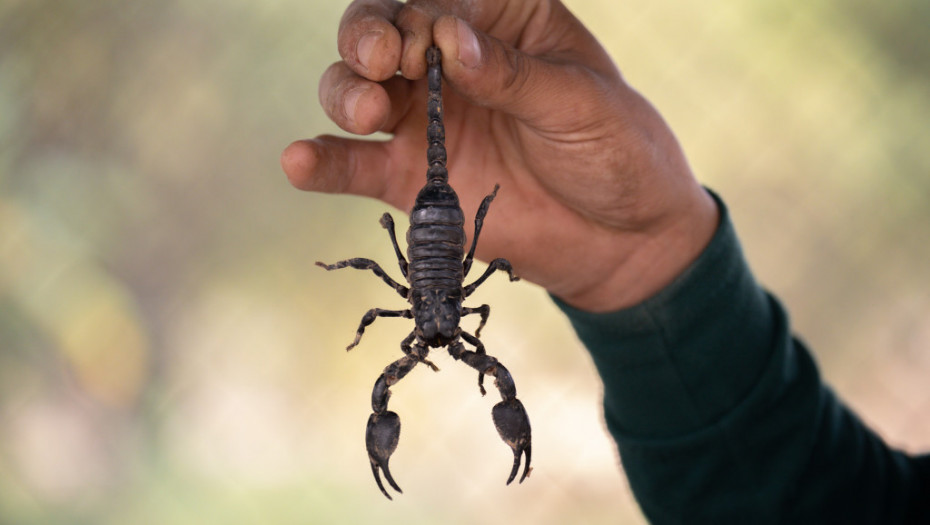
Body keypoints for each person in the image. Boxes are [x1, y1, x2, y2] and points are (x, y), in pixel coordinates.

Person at [280, 0, 929, 521]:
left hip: (433, 236)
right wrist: (646, 266)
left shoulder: (426, 327)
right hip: (445, 236)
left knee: (391, 377)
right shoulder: (462, 316)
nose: (446, 345)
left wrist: (640, 268)